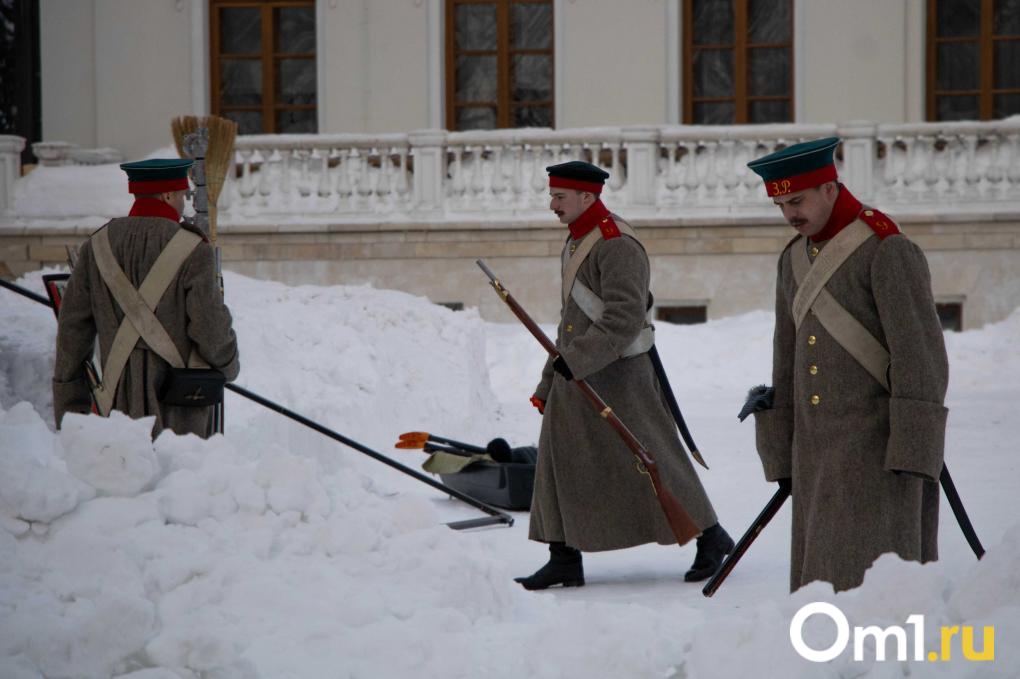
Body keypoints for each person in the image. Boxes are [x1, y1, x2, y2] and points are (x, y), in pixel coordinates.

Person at [515, 160, 732, 590]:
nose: (552, 204)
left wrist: (575, 363)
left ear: (587, 197)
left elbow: (624, 316)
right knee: (560, 460)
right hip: (579, 372)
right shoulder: (577, 241)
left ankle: (711, 536)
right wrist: (550, 381)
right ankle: (562, 556)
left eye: (560, 196)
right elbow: (569, 322)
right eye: (552, 195)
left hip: (621, 374)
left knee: (655, 456)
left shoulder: (616, 245)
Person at [745, 137, 949, 592]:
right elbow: (787, 357)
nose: (789, 215)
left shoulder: (885, 249)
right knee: (821, 579)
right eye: (781, 205)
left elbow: (921, 359)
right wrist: (783, 451)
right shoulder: (793, 258)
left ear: (830, 189)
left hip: (877, 450)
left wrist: (914, 453)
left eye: (796, 200)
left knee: (875, 582)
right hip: (815, 450)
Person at [53, 158, 239, 439]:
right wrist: (229, 366)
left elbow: (72, 332)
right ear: (167, 195)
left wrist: (70, 408)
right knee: (179, 478)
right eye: (182, 195)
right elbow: (209, 328)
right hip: (181, 412)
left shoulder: (97, 246)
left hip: (114, 409)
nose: (184, 203)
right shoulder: (193, 249)